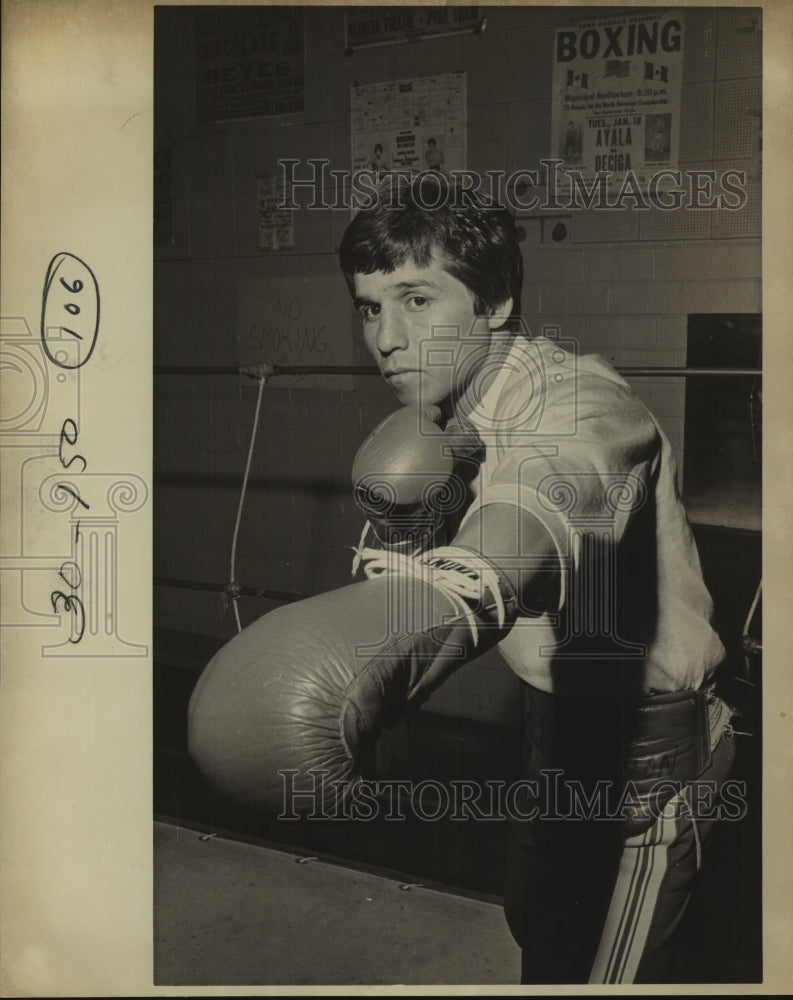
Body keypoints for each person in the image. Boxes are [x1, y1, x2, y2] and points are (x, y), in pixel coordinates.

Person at [188, 174, 738, 985]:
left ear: (495, 302)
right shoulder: (444, 421)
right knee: (541, 941)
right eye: (369, 306)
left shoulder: (582, 400)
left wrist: (465, 579)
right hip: (554, 740)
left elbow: (559, 480)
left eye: (416, 300)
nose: (384, 336)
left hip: (644, 766)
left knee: (601, 978)